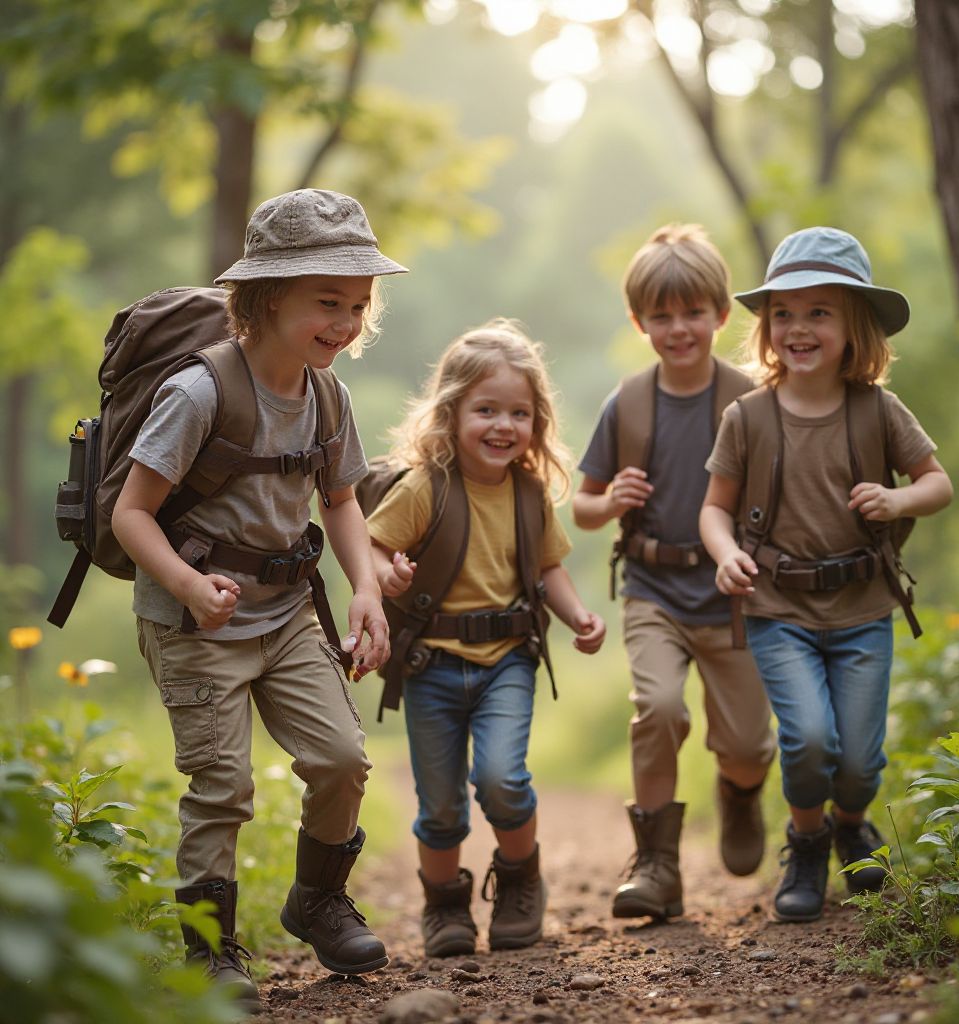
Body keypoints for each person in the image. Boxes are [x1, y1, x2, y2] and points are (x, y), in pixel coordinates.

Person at [111, 189, 407, 1007]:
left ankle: (316, 899)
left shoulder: (327, 396)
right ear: (267, 296)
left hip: (283, 616)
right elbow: (130, 514)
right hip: (195, 621)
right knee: (223, 787)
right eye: (327, 302)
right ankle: (209, 949)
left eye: (357, 304)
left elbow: (341, 501)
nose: (345, 323)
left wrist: (366, 594)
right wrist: (185, 584)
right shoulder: (199, 393)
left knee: (342, 760)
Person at [700, 225, 953, 923]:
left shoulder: (877, 410)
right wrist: (727, 554)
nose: (798, 328)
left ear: (854, 326)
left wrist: (898, 497)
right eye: (784, 312)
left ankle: (851, 823)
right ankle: (806, 840)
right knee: (810, 738)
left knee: (861, 759)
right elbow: (714, 511)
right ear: (766, 326)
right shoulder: (747, 416)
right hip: (779, 608)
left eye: (819, 312)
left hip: (864, 608)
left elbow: (938, 483)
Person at [366, 319, 606, 957]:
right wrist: (388, 573)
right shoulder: (425, 487)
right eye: (486, 410)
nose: (504, 425)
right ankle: (445, 907)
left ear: (537, 422)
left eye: (519, 413)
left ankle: (522, 881)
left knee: (503, 778)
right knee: (440, 805)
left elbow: (550, 567)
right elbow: (371, 543)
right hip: (431, 665)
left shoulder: (530, 494)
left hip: (507, 661)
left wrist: (580, 616)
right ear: (451, 414)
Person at [572, 224, 775, 921]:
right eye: (661, 315)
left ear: (722, 314)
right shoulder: (628, 403)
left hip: (735, 597)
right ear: (640, 321)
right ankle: (656, 864)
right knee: (656, 710)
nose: (678, 328)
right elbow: (582, 507)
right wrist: (610, 501)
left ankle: (741, 791)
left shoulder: (752, 401)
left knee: (747, 744)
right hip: (654, 588)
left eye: (693, 312)